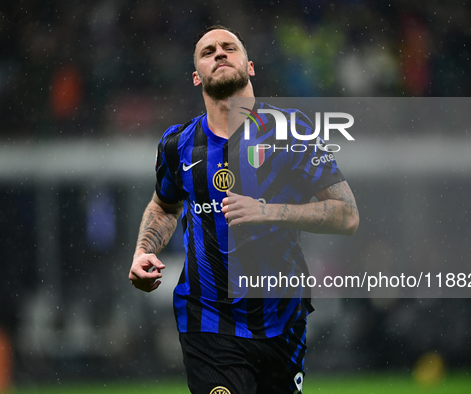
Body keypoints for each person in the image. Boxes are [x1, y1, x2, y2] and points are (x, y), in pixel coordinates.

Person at [128, 25, 359, 394]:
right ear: (196, 76)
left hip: (280, 319)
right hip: (207, 319)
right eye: (208, 52)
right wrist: (143, 251)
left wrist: (267, 210)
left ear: (249, 66)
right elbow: (164, 206)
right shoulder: (177, 145)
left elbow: (346, 214)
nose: (219, 53)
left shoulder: (290, 131)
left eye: (228, 47)